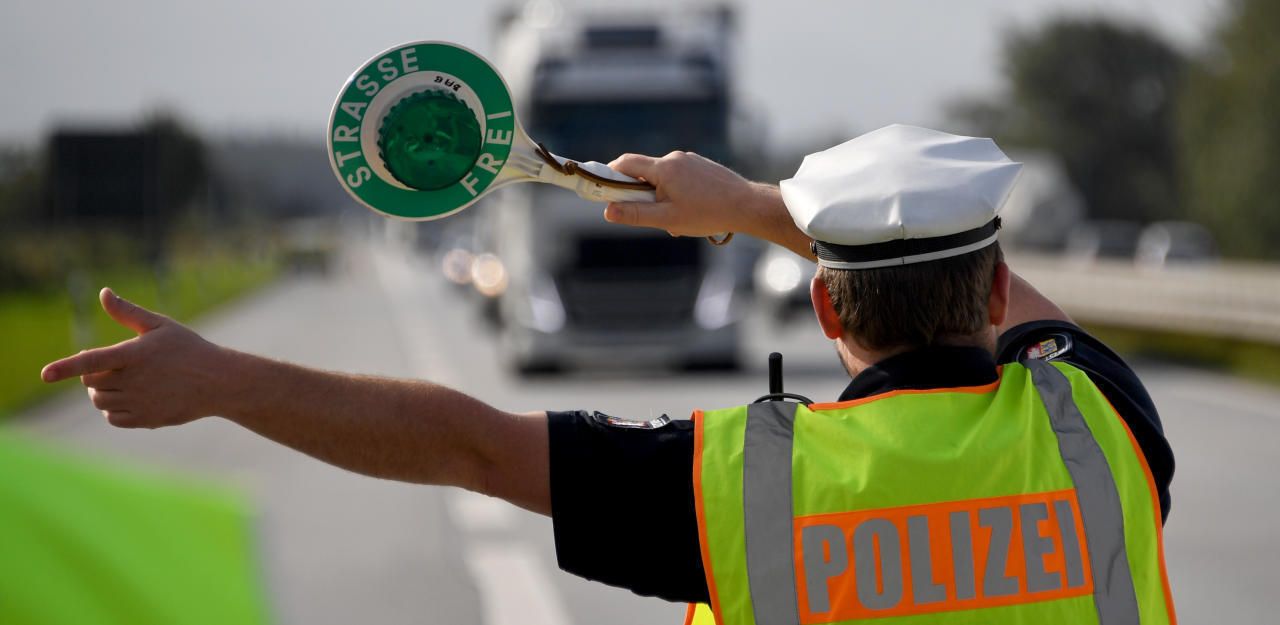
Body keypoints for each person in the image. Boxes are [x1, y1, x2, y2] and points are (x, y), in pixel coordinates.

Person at [42, 125, 1175, 624]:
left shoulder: (745, 484)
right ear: (987, 294)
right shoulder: (1097, 425)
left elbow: (468, 443)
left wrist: (218, 378)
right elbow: (1018, 304)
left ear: (824, 305)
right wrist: (755, 210)